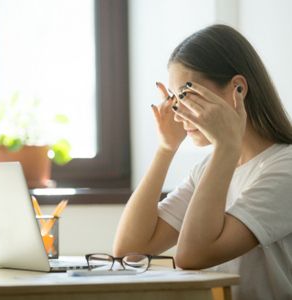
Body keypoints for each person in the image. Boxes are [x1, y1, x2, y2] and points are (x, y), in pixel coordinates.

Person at [113, 24, 292, 299]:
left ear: (238, 90)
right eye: (174, 99)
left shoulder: (285, 167)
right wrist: (165, 148)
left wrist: (226, 146)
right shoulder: (209, 169)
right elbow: (129, 250)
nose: (177, 112)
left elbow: (193, 256)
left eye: (187, 94)